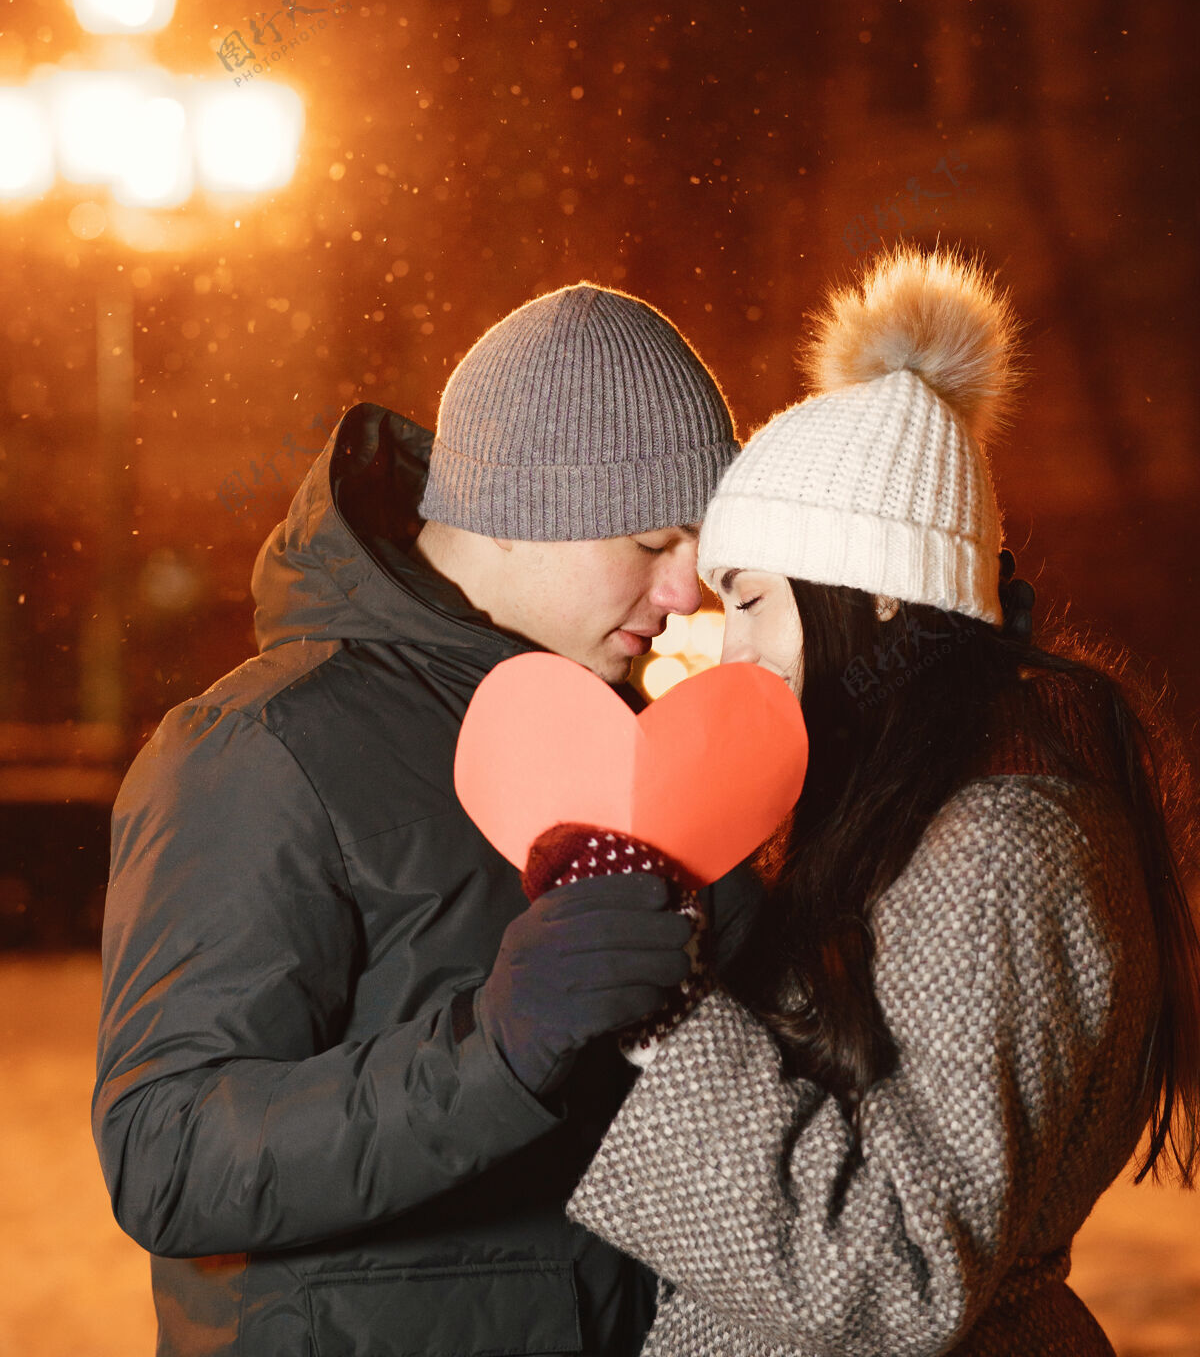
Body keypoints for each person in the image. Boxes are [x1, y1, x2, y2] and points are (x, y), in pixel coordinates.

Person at [567, 243, 1200, 1356]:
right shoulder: (923, 822)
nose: (737, 651)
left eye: (754, 601)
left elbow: (899, 1274)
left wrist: (667, 1020)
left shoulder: (1002, 847)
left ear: (870, 596)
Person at [93, 282, 743, 1357]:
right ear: (525, 511)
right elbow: (166, 1158)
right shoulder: (263, 748)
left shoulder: (631, 738)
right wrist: (492, 1055)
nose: (687, 593)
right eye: (652, 540)